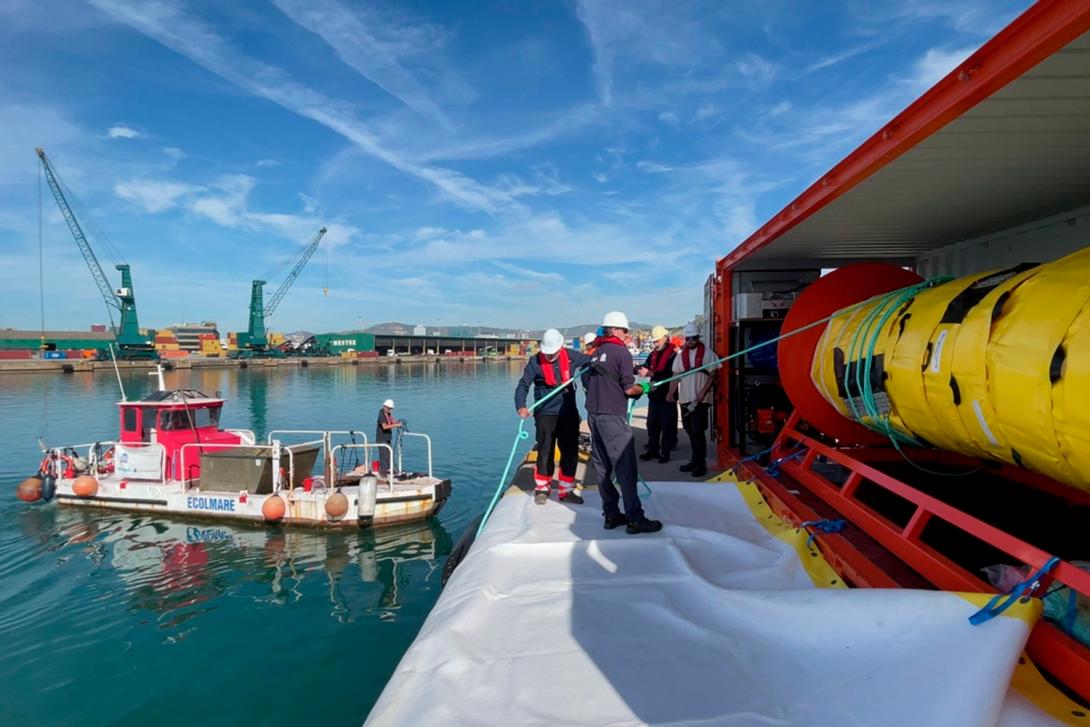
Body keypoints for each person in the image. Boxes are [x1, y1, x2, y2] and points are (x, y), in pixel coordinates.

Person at [585, 311, 662, 534]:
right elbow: (629, 389)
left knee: (602, 469)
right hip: (612, 417)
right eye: (626, 331)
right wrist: (646, 388)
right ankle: (635, 518)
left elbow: (590, 382)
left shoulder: (595, 352)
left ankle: (610, 514)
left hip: (593, 415)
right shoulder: (621, 353)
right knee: (625, 467)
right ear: (617, 330)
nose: (628, 335)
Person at [515, 329, 591, 505]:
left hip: (568, 412)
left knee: (570, 451)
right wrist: (521, 406)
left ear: (560, 347)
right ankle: (542, 488)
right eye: (547, 353)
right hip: (545, 414)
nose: (549, 357)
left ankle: (566, 490)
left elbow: (592, 361)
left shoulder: (573, 356)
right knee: (545, 450)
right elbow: (523, 385)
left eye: (553, 353)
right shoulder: (535, 362)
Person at [668, 322, 720, 478]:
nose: (690, 341)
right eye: (688, 338)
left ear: (698, 337)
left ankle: (700, 463)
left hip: (700, 400)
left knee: (698, 431)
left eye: (694, 338)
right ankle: (694, 459)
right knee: (690, 431)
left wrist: (703, 393)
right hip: (685, 399)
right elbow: (675, 377)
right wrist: (670, 393)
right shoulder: (680, 356)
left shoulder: (707, 353)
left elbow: (713, 374)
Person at [637, 325, 678, 463]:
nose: (655, 344)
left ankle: (665, 453)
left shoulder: (673, 355)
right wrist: (637, 370)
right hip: (654, 396)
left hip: (667, 396)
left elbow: (671, 374)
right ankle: (652, 450)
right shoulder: (653, 354)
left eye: (657, 341)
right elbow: (646, 366)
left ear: (665, 338)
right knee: (652, 425)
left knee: (667, 426)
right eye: (653, 341)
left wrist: (650, 374)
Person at [375, 399, 401, 475]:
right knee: (383, 455)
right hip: (381, 438)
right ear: (385, 407)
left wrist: (396, 423)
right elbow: (385, 427)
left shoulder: (388, 414)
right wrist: (396, 425)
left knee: (390, 454)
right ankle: (383, 472)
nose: (391, 410)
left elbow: (392, 421)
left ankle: (391, 469)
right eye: (390, 408)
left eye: (391, 409)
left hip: (387, 438)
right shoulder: (382, 414)